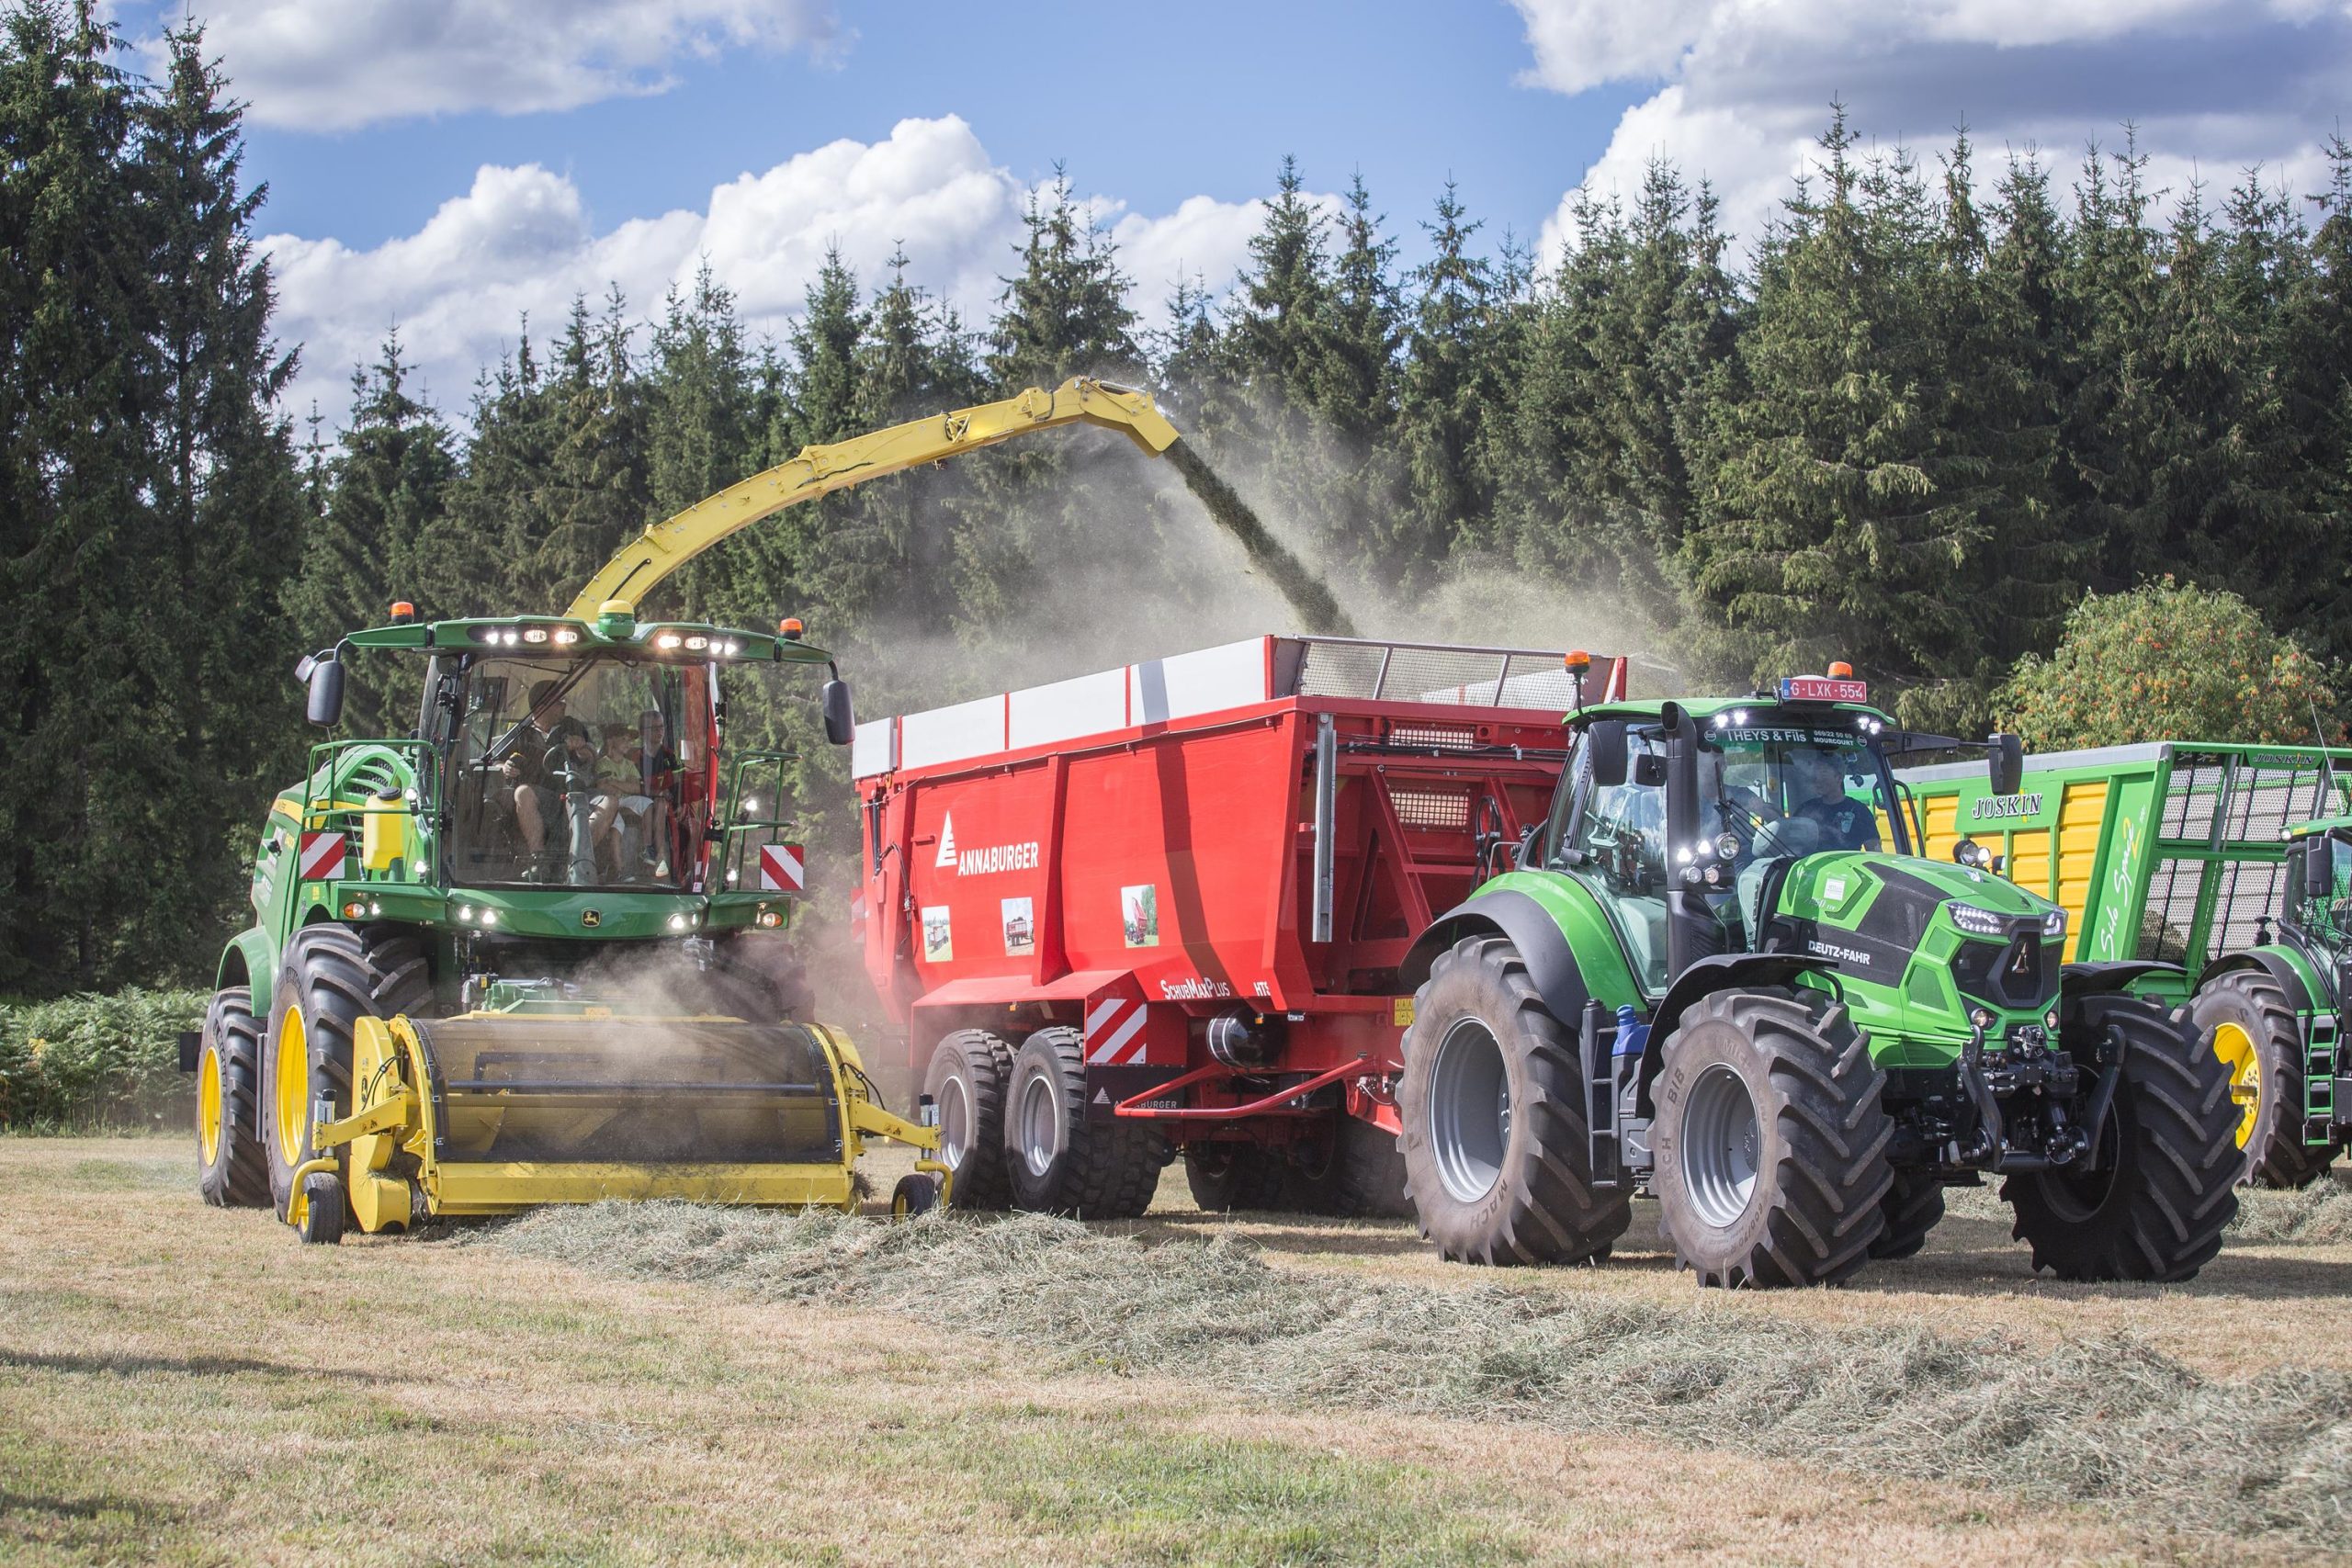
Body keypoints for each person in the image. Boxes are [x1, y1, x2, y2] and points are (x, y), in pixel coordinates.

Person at [499, 680, 589, 864]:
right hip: (538, 798)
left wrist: (580, 748)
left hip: (572, 796)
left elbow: (593, 756)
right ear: (542, 707)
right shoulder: (520, 731)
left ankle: (579, 862)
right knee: (523, 792)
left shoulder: (573, 726)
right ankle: (539, 861)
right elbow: (497, 760)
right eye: (559, 702)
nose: (564, 706)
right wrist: (505, 767)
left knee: (606, 802)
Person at [1789, 749, 1881, 852]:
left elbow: (1875, 851)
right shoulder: (1805, 810)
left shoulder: (1859, 811)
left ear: (1838, 777)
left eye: (1823, 773)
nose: (1817, 779)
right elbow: (1791, 846)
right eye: (1815, 775)